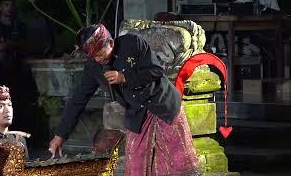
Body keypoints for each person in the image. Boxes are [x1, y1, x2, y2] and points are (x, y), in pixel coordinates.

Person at [49, 24, 201, 175]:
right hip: (137, 113)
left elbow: (155, 71)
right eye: (94, 56)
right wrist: (60, 135)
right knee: (136, 165)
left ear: (111, 43)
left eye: (100, 54)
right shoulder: (93, 67)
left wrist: (124, 77)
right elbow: (79, 99)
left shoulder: (132, 43)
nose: (98, 59)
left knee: (178, 163)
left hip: (163, 103)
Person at [0, 0, 28, 85]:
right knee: (0, 55)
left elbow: (26, 43)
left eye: (12, 5)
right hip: (2, 61)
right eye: (6, 4)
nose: (9, 8)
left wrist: (8, 43)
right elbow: (0, 46)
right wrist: (14, 44)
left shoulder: (20, 25)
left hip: (19, 57)